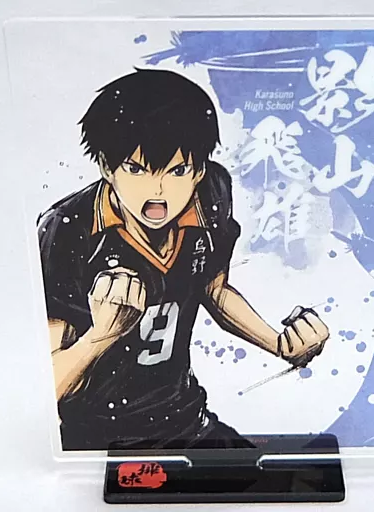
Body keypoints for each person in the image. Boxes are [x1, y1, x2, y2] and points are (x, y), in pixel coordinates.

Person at [38, 68, 329, 451]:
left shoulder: (211, 194)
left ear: (198, 170)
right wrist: (101, 335)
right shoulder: (68, 229)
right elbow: (46, 386)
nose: (157, 192)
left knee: (292, 476)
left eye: (177, 171)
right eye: (136, 169)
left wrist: (280, 344)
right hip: (98, 443)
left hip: (187, 421)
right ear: (107, 167)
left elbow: (215, 290)